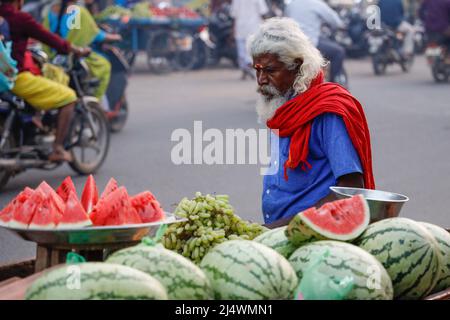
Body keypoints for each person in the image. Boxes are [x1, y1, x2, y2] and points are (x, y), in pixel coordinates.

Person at [247, 18, 375, 228]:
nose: (261, 79)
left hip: (315, 234)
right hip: (279, 232)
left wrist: (286, 226)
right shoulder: (280, 107)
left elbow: (350, 190)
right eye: (257, 70)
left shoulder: (326, 111)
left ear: (297, 66)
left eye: (270, 71)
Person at [0, 0, 89, 162]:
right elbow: (50, 38)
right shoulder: (21, 18)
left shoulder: (50, 11)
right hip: (15, 77)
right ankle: (58, 148)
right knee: (69, 96)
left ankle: (36, 119)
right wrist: (77, 49)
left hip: (30, 62)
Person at [43, 0, 121, 102]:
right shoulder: (77, 11)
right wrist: (116, 37)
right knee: (104, 65)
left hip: (52, 58)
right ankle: (96, 101)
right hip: (73, 56)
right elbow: (96, 35)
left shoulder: (50, 11)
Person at [285, 0, 346, 83]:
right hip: (311, 44)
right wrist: (341, 25)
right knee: (339, 52)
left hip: (292, 45)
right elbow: (335, 21)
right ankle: (333, 84)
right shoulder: (317, 3)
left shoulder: (291, 4)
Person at [230, 0, 269, 80]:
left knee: (242, 52)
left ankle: (245, 69)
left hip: (240, 28)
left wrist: (233, 30)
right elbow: (263, 12)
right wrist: (268, 25)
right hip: (254, 28)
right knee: (252, 51)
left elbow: (234, 15)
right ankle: (249, 67)